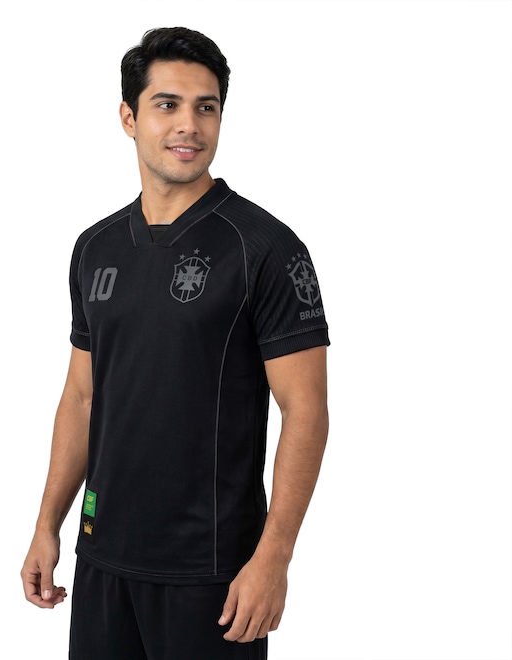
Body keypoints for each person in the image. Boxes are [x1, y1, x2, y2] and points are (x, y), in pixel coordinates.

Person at [21, 26, 330, 660]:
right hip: (102, 559)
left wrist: (274, 557)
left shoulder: (266, 248)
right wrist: (47, 524)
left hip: (213, 574)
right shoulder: (95, 247)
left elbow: (305, 410)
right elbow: (82, 396)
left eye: (206, 107)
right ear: (129, 118)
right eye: (167, 104)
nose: (189, 124)